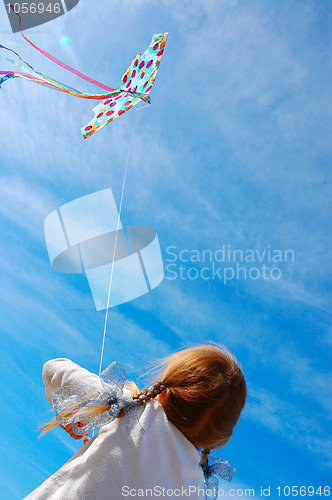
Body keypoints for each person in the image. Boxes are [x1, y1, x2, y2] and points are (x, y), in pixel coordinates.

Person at [24, 344, 247, 500]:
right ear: (218, 440)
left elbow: (53, 369)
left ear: (163, 392)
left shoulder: (130, 407)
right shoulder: (197, 492)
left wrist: (74, 413)